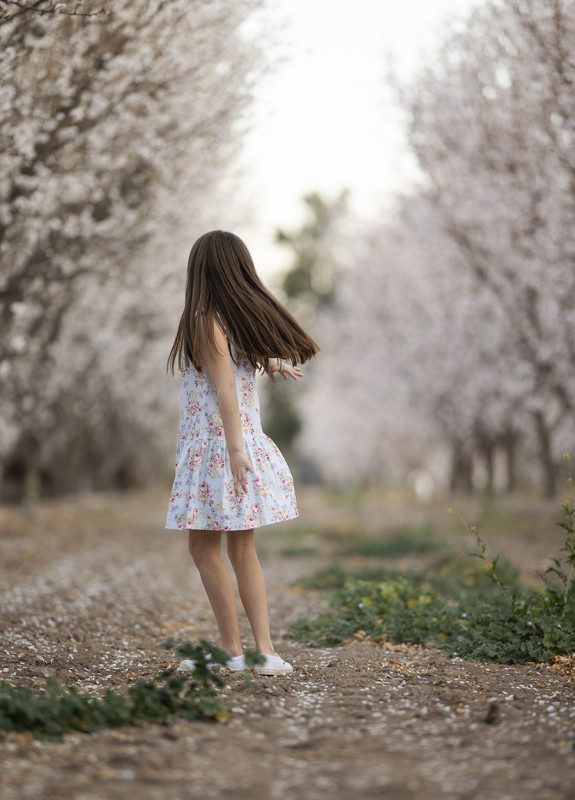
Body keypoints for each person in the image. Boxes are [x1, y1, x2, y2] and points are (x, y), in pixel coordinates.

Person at [165, 230, 318, 676]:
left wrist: (232, 451)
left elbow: (225, 388)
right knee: (242, 550)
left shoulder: (202, 318)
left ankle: (233, 650)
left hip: (220, 447)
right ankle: (265, 652)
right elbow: (243, 360)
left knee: (202, 547)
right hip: (241, 443)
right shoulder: (235, 323)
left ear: (201, 271)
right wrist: (274, 362)